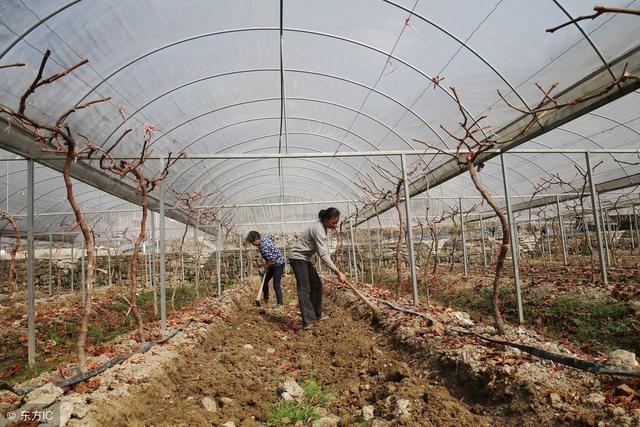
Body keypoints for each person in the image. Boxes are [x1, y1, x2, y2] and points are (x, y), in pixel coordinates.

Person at [289, 207, 348, 329]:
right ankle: (308, 321)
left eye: (336, 223)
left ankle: (315, 315)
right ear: (325, 219)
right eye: (333, 222)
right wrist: (337, 272)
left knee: (317, 285)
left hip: (304, 258)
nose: (335, 225)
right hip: (298, 258)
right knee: (304, 288)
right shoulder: (318, 229)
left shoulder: (323, 227)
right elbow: (323, 255)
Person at [247, 230, 285, 308]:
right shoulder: (264, 238)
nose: (253, 244)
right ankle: (266, 300)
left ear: (257, 239)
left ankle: (280, 305)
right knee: (264, 281)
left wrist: (265, 268)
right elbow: (271, 237)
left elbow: (272, 261)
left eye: (253, 242)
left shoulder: (264, 247)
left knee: (276, 283)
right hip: (272, 263)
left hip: (279, 263)